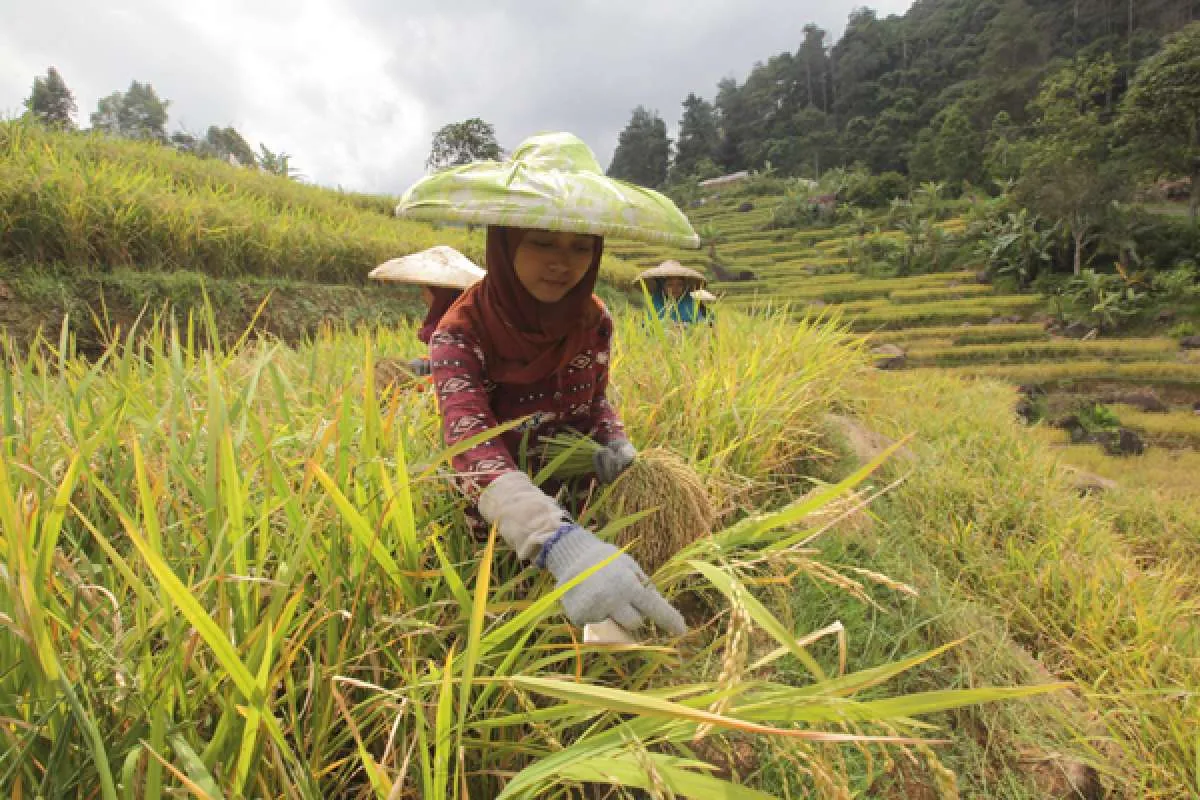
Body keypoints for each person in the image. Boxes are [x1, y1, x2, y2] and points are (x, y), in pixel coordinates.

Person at [396, 132, 700, 637]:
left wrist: (613, 439)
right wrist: (554, 540)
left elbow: (594, 400)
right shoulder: (459, 333)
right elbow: (472, 447)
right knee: (513, 622)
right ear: (506, 238)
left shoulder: (593, 319)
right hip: (502, 513)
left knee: (607, 627)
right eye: (541, 241)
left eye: (581, 246)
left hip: (580, 496)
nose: (563, 261)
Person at [368, 246, 485, 376]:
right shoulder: (466, 319)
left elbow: (460, 363)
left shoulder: (453, 328)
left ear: (439, 293)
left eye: (425, 290)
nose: (423, 296)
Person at [639, 261, 709, 325]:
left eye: (679, 284)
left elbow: (702, 323)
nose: (675, 288)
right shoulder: (655, 303)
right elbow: (647, 324)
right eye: (669, 285)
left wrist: (684, 325)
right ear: (662, 286)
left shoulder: (690, 303)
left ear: (684, 286)